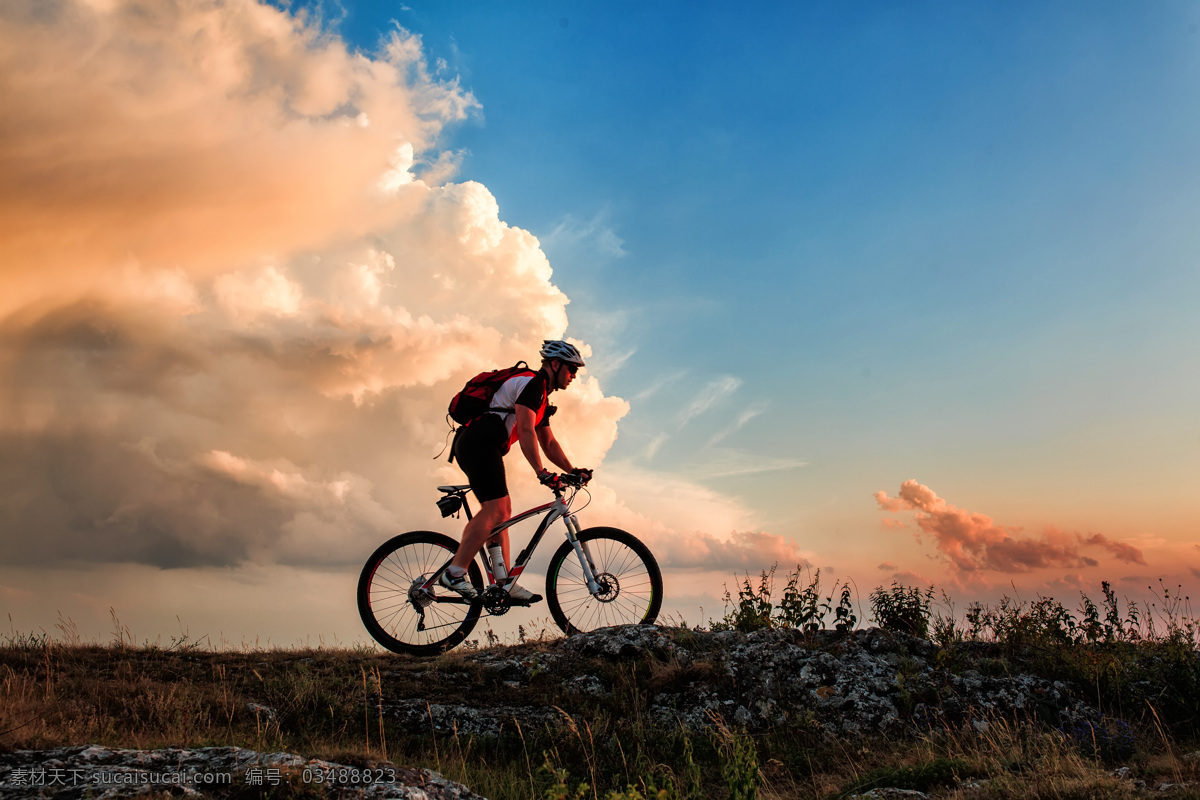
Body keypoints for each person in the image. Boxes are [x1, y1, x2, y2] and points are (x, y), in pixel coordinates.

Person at [440, 340, 592, 602]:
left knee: (503, 511)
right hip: (477, 443)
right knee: (495, 510)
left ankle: (503, 583)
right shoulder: (532, 384)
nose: (574, 376)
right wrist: (541, 472)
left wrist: (572, 470)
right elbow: (525, 430)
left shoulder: (542, 396)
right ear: (554, 365)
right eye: (571, 369)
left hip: (484, 446)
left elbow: (548, 442)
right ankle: (454, 573)